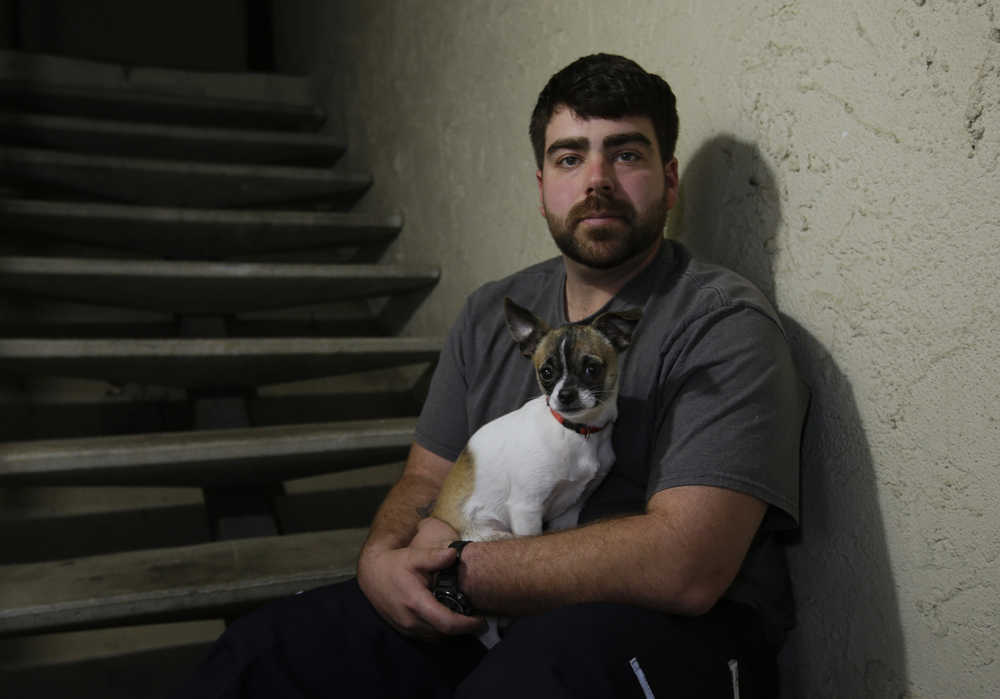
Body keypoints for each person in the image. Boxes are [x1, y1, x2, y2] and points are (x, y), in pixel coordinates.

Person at [176, 53, 808, 699]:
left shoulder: (722, 324)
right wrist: (380, 560)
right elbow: (427, 476)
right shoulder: (488, 313)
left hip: (669, 628)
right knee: (261, 655)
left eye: (625, 154)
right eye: (569, 157)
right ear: (540, 187)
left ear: (669, 181)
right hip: (487, 603)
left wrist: (460, 572)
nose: (596, 179)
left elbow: (687, 565)